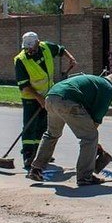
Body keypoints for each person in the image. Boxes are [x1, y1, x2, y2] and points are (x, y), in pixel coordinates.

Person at [27, 73, 112, 185]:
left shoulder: (95, 82)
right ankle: (85, 177)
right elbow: (97, 117)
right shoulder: (108, 89)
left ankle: (36, 169)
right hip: (67, 100)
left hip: (51, 97)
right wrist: (92, 141)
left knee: (51, 134)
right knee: (90, 137)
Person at [14, 31, 77, 170]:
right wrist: (39, 98)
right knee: (30, 127)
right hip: (31, 97)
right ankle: (28, 155)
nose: (29, 50)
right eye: (27, 48)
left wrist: (70, 58)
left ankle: (42, 154)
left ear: (37, 42)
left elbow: (61, 49)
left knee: (44, 126)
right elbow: (24, 86)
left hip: (48, 94)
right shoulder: (21, 60)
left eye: (31, 47)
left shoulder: (46, 47)